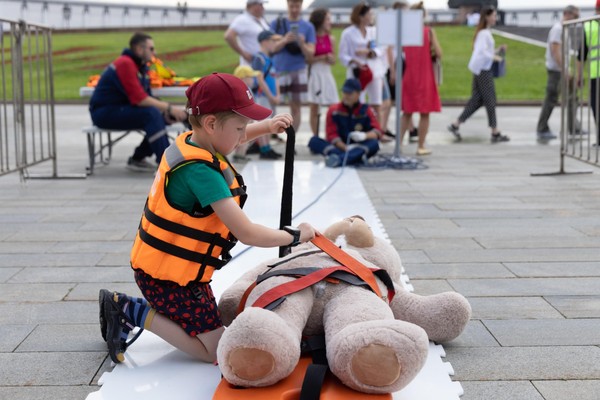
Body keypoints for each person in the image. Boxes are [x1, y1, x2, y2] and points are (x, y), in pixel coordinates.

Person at [99, 72, 316, 365]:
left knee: (216, 335)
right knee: (216, 351)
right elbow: (247, 233)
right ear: (212, 123)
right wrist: (297, 236)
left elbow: (229, 139)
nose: (243, 136)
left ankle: (148, 310)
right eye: (241, 127)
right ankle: (128, 310)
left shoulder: (195, 141)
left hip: (179, 273)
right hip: (167, 280)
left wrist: (264, 127)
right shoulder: (201, 173)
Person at [89, 32, 188, 172]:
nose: (155, 52)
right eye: (151, 49)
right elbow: (140, 99)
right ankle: (168, 165)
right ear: (139, 49)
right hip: (104, 113)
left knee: (157, 116)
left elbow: (147, 97)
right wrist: (170, 108)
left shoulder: (139, 66)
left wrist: (166, 113)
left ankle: (138, 158)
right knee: (151, 114)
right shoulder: (125, 63)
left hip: (118, 109)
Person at [447, 6, 510, 143]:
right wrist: (495, 57)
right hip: (482, 70)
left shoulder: (484, 32)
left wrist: (498, 50)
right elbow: (482, 52)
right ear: (487, 17)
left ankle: (455, 124)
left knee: (477, 100)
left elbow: (485, 50)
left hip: (480, 68)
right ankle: (495, 131)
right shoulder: (484, 33)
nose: (495, 18)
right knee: (490, 100)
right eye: (493, 15)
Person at [307, 78, 382, 168]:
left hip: (359, 145)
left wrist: (364, 136)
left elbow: (377, 132)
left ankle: (339, 159)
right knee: (314, 141)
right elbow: (331, 134)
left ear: (358, 94)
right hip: (339, 146)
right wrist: (345, 148)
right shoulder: (334, 110)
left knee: (374, 144)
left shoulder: (366, 110)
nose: (346, 96)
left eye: (350, 93)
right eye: (344, 92)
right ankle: (353, 158)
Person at [399, 2, 442, 156]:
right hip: (425, 76)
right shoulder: (428, 32)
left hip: (409, 76)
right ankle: (421, 145)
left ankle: (399, 144)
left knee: (407, 112)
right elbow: (439, 53)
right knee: (425, 113)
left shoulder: (405, 33)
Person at [270, 0, 316, 133]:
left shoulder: (308, 27)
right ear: (287, 5)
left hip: (299, 69)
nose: (295, 9)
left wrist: (301, 43)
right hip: (279, 69)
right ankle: (268, 138)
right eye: (292, 6)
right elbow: (271, 48)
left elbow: (310, 54)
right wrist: (285, 40)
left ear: (301, 5)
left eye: (297, 6)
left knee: (296, 107)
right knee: (272, 104)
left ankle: (292, 139)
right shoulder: (277, 24)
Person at [536, 5, 581, 141]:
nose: (576, 20)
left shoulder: (564, 29)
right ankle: (542, 128)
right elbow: (555, 51)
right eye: (575, 16)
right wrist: (564, 70)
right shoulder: (557, 29)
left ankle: (574, 126)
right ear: (567, 14)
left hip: (562, 69)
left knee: (573, 97)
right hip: (556, 71)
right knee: (551, 98)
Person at [338, 3, 384, 118]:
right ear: (361, 16)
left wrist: (369, 52)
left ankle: (376, 129)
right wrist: (353, 61)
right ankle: (357, 127)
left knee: (376, 102)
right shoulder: (347, 33)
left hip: (373, 70)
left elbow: (381, 48)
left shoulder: (374, 31)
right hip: (357, 72)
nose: (371, 16)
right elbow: (342, 55)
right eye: (369, 14)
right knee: (357, 101)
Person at [232, 64, 281, 160]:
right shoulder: (244, 90)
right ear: (243, 78)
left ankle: (240, 154)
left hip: (246, 119)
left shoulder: (245, 89)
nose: (253, 79)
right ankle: (239, 155)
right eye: (250, 77)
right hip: (245, 119)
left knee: (244, 138)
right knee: (243, 139)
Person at [307, 8, 339, 137]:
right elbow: (308, 60)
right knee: (314, 107)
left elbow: (334, 60)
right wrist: (322, 57)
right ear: (320, 21)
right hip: (315, 73)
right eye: (327, 19)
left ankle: (330, 135)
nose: (329, 22)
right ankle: (315, 136)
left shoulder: (331, 38)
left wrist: (331, 59)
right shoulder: (311, 37)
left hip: (327, 73)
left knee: (333, 106)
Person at [224, 0, 271, 67]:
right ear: (251, 6)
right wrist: (244, 54)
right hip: (251, 64)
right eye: (260, 5)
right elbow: (229, 36)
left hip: (264, 63)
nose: (263, 8)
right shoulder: (242, 19)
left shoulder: (260, 19)